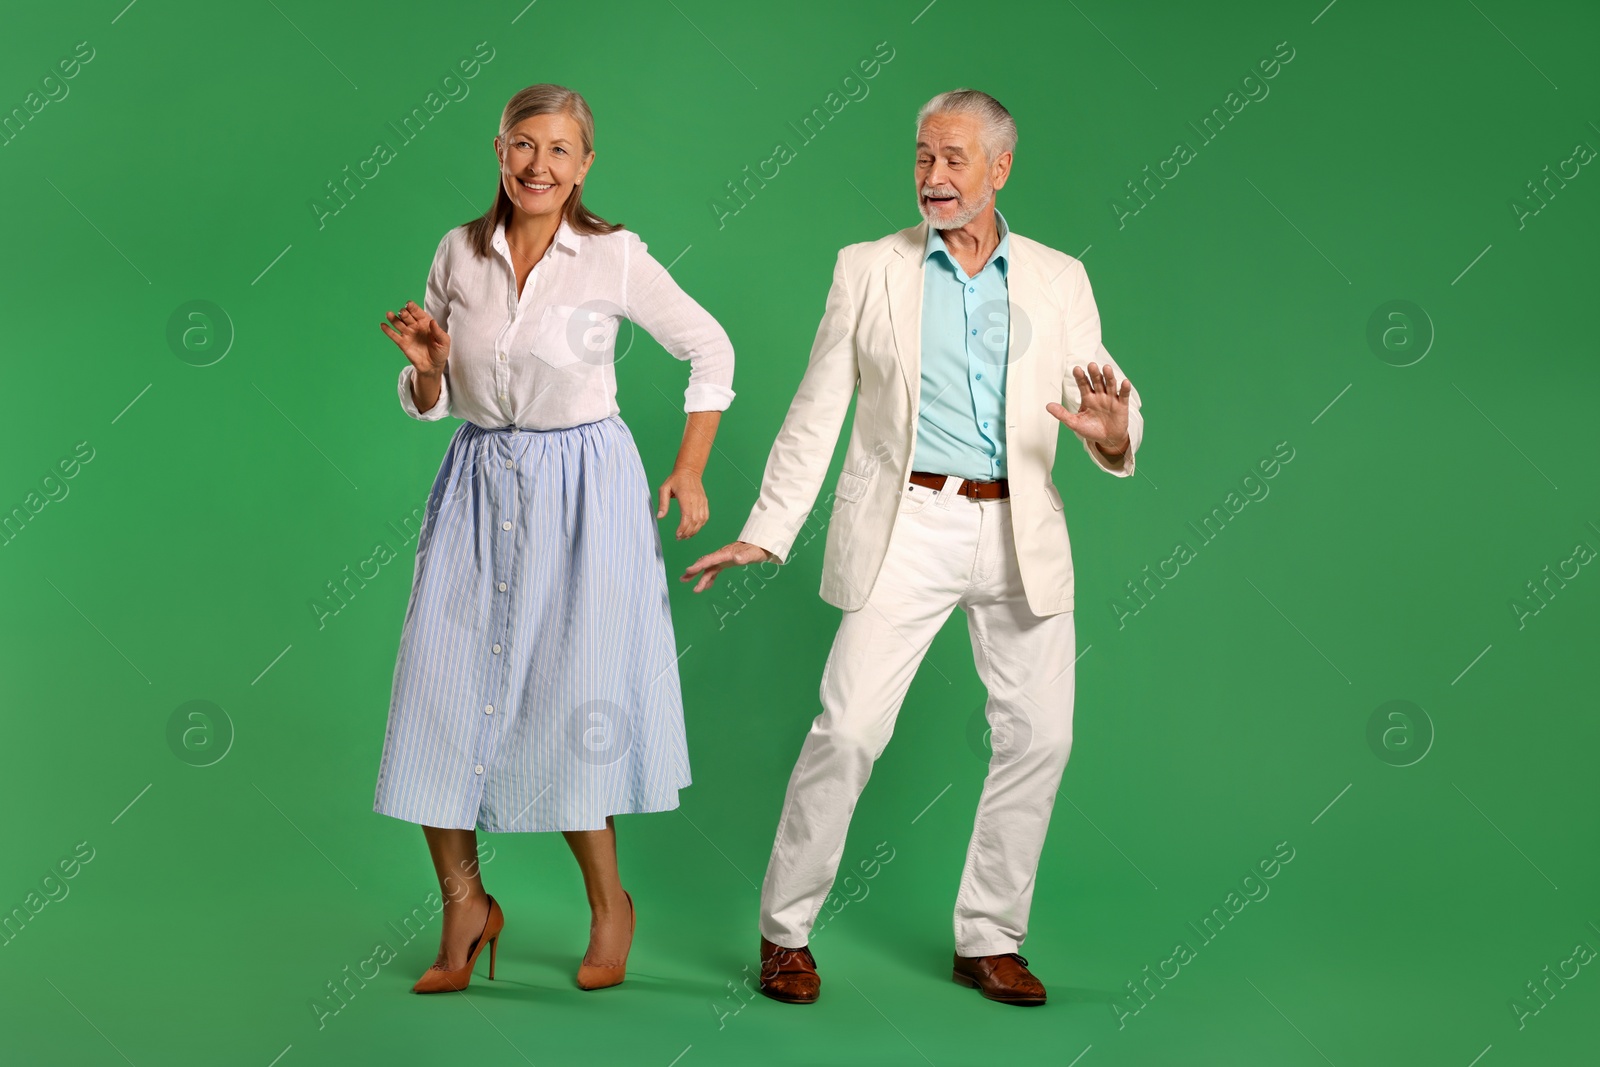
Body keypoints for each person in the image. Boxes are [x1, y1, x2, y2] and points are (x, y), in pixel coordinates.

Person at [683, 88, 1142, 1007]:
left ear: (1001, 168)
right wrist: (768, 530)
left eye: (954, 160)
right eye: (923, 157)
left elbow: (1109, 402)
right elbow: (818, 410)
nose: (933, 177)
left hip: (1022, 526)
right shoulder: (868, 268)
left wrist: (1112, 431)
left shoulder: (1060, 278)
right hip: (906, 524)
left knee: (1041, 737)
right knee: (848, 727)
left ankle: (989, 937)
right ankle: (785, 934)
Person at [372, 84, 735, 995]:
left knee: (578, 703)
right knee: (438, 697)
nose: (540, 166)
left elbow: (712, 349)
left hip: (586, 496)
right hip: (477, 484)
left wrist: (689, 468)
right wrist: (426, 372)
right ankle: (465, 902)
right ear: (498, 150)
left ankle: (610, 906)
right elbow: (436, 401)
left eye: (561, 150)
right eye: (524, 146)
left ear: (585, 164)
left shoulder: (613, 257)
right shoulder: (459, 251)